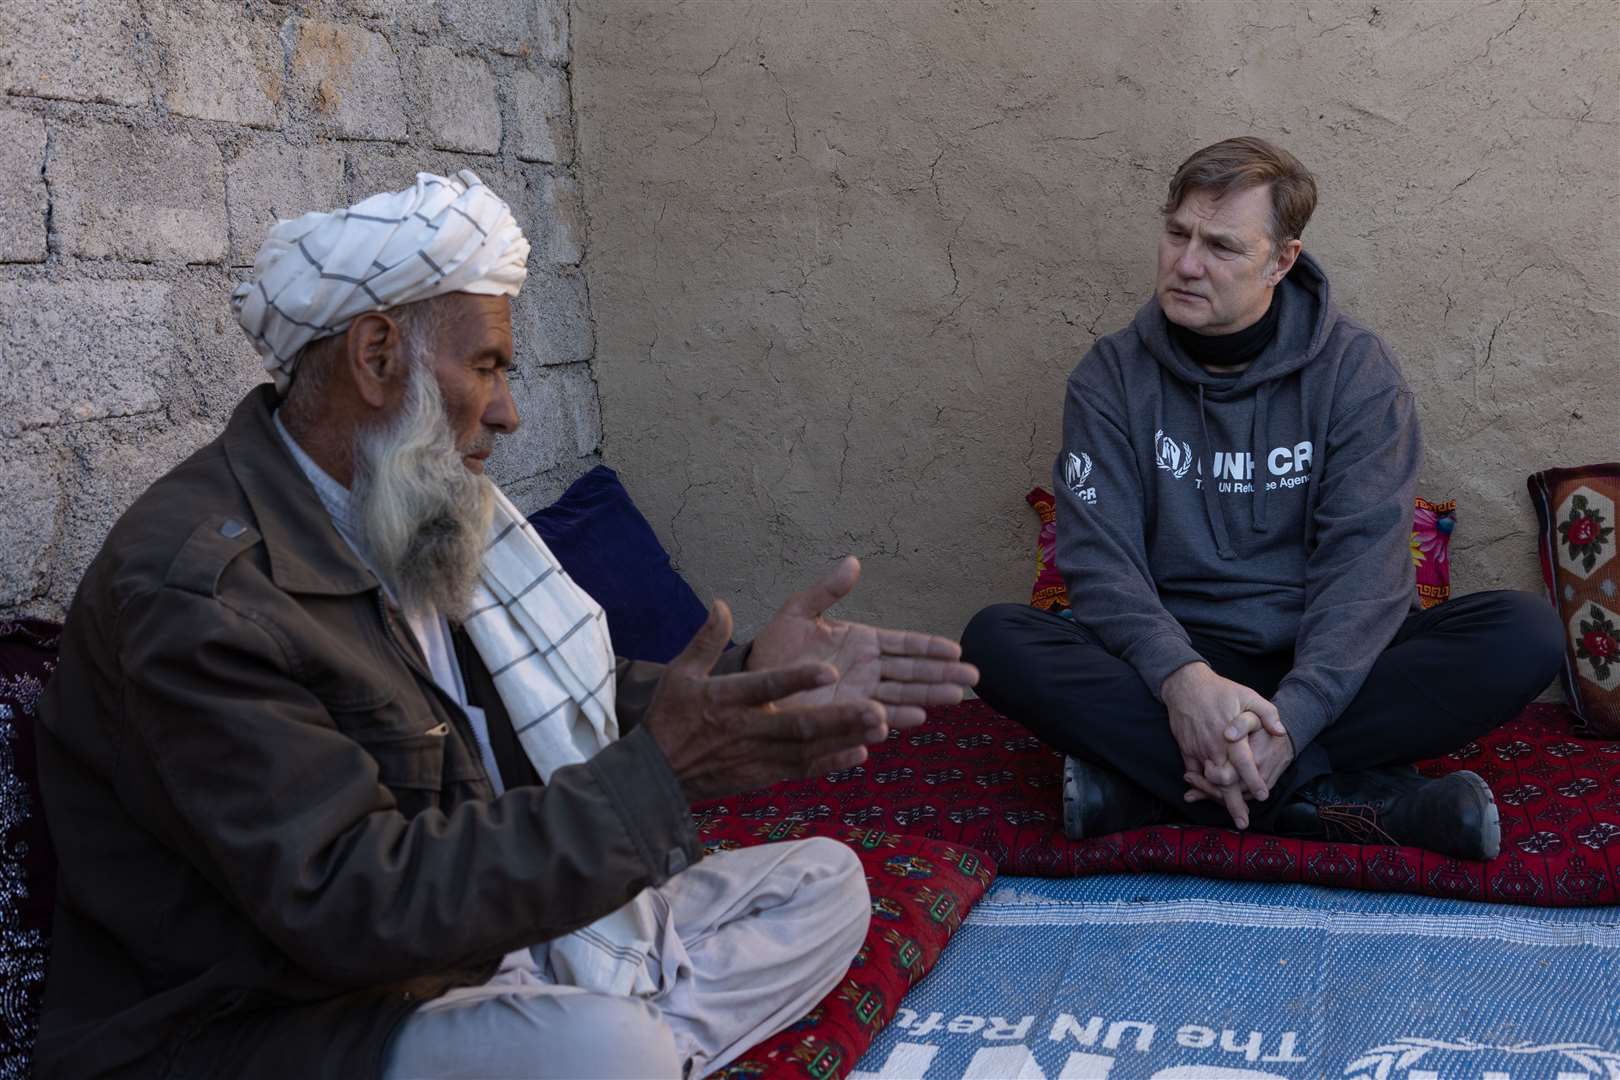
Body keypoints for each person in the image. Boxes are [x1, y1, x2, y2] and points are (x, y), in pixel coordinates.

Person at [33, 171, 978, 1080]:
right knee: (605, 1054)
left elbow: (551, 702)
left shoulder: (394, 506)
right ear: (376, 357)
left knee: (825, 882)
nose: (511, 411)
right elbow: (353, 907)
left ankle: (611, 1033)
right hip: (286, 1019)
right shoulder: (203, 594)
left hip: (476, 934)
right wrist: (662, 777)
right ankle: (617, 1043)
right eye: (486, 365)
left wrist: (742, 682)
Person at [962, 137, 1562, 861]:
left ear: (1281, 261)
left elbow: (1366, 571)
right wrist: (1184, 683)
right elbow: (1099, 561)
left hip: (1329, 664)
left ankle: (1151, 793)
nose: (1186, 264)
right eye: (1177, 233)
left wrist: (1297, 718)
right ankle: (1358, 803)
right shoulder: (1111, 376)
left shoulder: (1356, 374)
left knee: (1524, 633)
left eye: (1221, 247)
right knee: (996, 641)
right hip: (1174, 666)